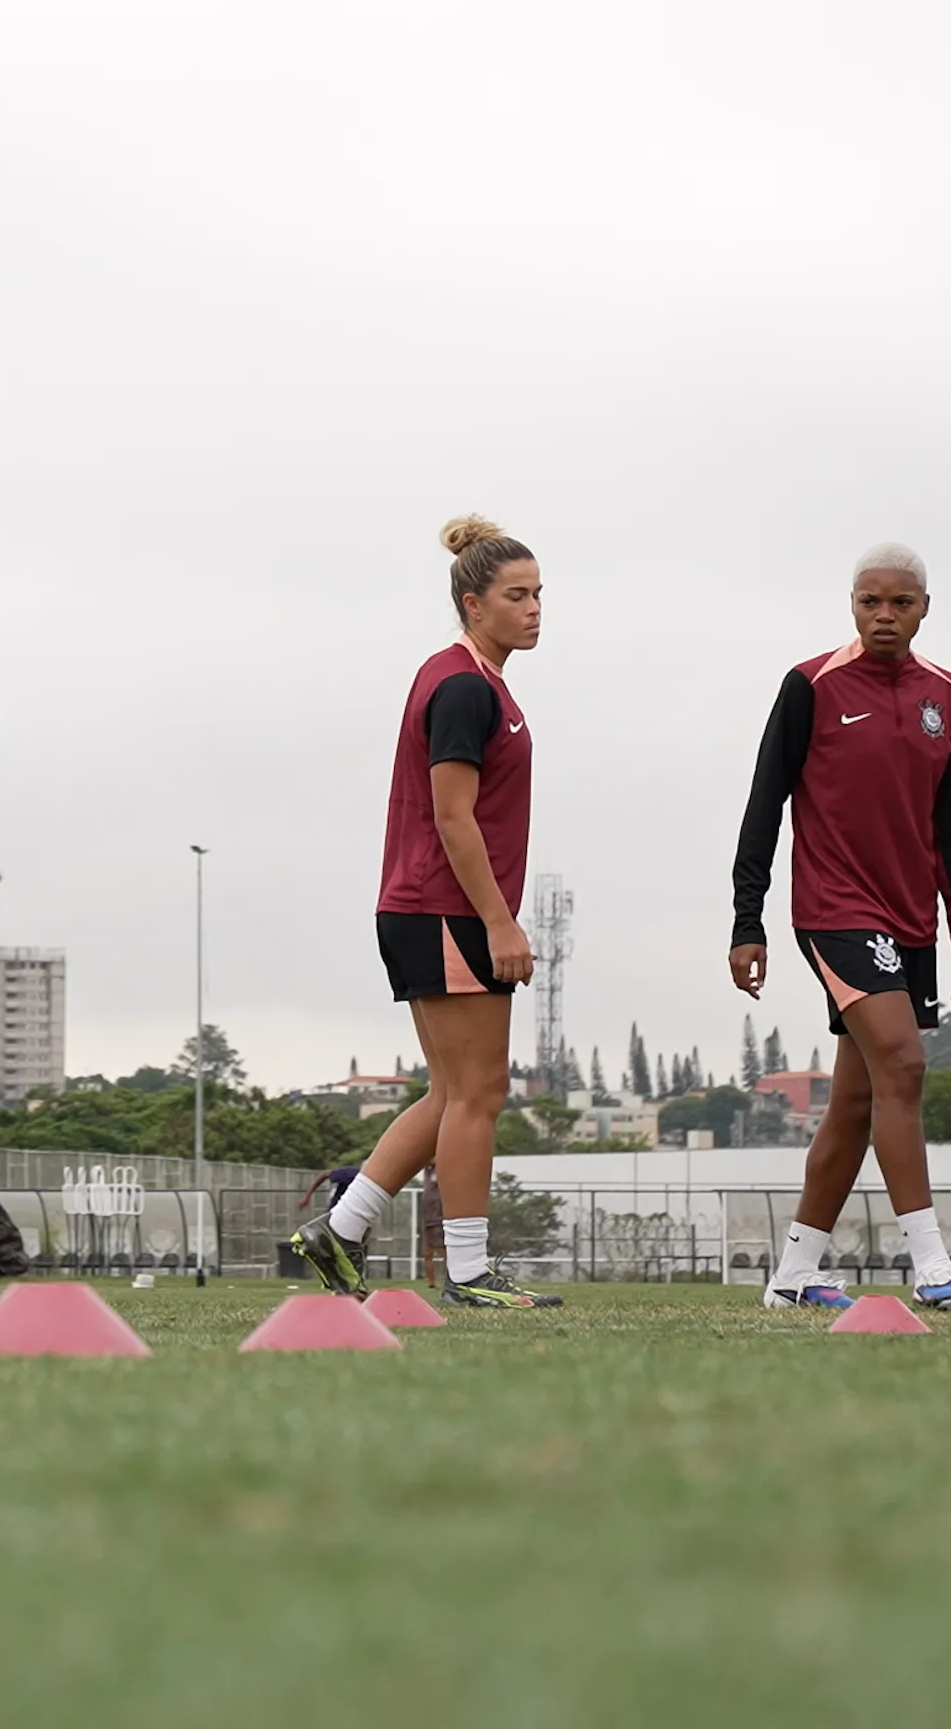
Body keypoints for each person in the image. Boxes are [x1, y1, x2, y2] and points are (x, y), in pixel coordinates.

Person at [285, 515, 563, 1311]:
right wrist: (502, 922)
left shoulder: (479, 680)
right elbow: (452, 817)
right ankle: (470, 1271)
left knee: (451, 1093)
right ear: (473, 604)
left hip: (435, 909)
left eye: (540, 593)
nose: (535, 608)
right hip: (445, 910)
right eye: (517, 595)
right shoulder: (464, 684)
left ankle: (343, 1228)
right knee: (481, 1093)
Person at [729, 541, 951, 1314]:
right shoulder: (811, 685)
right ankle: (933, 1263)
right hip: (836, 910)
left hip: (910, 918)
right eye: (870, 601)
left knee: (856, 1100)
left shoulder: (946, 694)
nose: (884, 615)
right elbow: (763, 804)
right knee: (904, 1067)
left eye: (900, 603)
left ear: (923, 608)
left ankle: (793, 1275)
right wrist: (748, 918)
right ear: (852, 603)